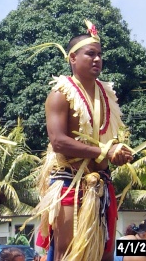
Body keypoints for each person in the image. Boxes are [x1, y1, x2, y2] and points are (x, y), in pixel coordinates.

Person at [34, 19, 133, 261]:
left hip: (101, 185)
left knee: (104, 255)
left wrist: (117, 151)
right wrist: (103, 152)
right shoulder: (60, 94)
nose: (97, 59)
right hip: (70, 182)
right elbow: (58, 141)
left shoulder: (107, 94)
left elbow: (106, 143)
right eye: (91, 54)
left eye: (100, 54)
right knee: (66, 253)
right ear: (73, 58)